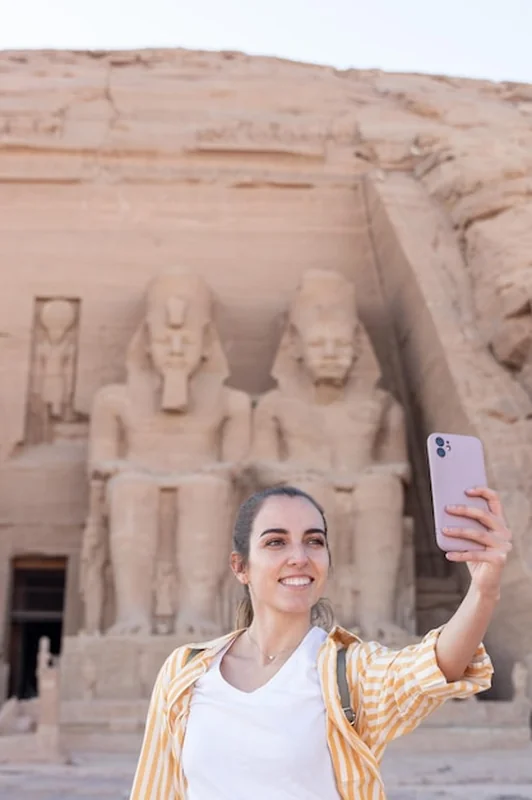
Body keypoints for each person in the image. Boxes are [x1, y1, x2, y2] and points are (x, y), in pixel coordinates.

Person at [130, 484, 510, 800]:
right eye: (276, 543)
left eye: (314, 541)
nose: (299, 557)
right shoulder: (186, 671)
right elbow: (155, 791)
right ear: (240, 566)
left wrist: (484, 589)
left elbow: (434, 665)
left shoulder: (349, 673)